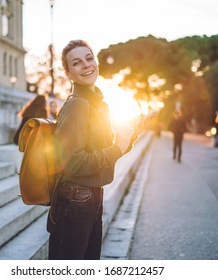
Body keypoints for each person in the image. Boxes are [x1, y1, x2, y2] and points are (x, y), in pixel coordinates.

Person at [47, 39, 139, 260]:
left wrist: (128, 138)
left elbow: (106, 153)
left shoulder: (100, 105)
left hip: (92, 197)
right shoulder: (77, 105)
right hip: (74, 199)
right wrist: (116, 148)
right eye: (77, 63)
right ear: (68, 74)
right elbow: (73, 163)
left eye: (89, 58)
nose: (87, 65)